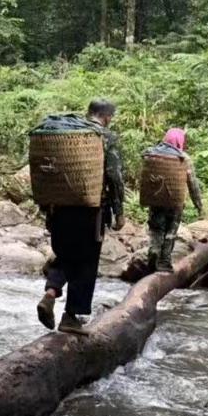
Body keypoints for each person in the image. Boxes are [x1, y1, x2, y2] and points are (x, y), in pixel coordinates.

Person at [36, 99, 125, 335]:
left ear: (89, 113)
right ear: (107, 117)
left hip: (59, 208)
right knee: (86, 262)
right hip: (90, 211)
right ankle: (71, 317)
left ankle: (50, 293)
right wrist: (119, 211)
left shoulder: (66, 133)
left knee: (65, 254)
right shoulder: (105, 137)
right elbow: (114, 177)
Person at [145, 127, 204, 272]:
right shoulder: (184, 158)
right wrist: (199, 205)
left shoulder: (152, 153)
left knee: (156, 229)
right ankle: (164, 261)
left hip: (156, 200)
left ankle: (154, 250)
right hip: (175, 203)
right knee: (170, 232)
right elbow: (193, 184)